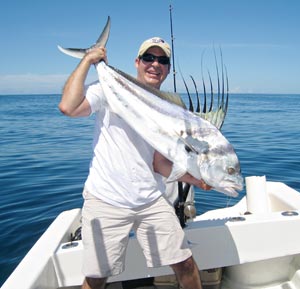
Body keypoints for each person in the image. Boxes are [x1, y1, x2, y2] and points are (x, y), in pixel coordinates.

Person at [59, 37, 210, 289]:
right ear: (137, 62)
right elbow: (68, 107)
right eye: (149, 58)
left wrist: (197, 180)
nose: (155, 64)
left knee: (185, 263)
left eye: (162, 60)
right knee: (96, 278)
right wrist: (88, 60)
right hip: (107, 198)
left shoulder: (168, 105)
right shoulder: (107, 89)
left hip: (151, 199)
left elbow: (159, 164)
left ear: (168, 68)